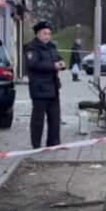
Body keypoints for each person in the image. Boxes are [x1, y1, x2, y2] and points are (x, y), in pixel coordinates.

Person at [25, 21, 65, 149]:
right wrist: (52, 66)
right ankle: (36, 145)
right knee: (38, 120)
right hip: (39, 89)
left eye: (49, 34)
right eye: (44, 33)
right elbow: (33, 65)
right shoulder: (31, 48)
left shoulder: (52, 47)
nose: (47, 36)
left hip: (53, 88)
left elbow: (59, 59)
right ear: (38, 34)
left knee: (55, 118)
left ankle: (53, 144)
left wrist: (62, 64)